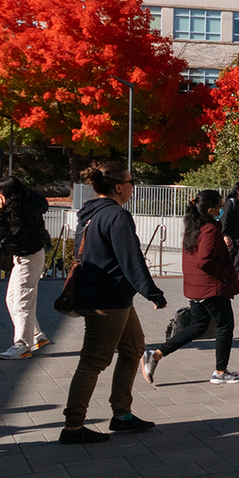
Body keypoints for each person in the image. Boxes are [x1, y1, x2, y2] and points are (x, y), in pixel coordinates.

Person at [60, 162, 167, 445]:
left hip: (110, 297)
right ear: (119, 187)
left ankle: (122, 414)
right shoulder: (116, 216)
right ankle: (73, 426)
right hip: (106, 300)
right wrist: (152, 292)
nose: (133, 188)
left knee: (133, 350)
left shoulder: (89, 214)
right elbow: (130, 259)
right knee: (94, 360)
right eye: (131, 183)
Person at [141, 190, 239, 386]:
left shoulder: (193, 227)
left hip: (196, 287)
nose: (222, 210)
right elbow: (204, 261)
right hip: (210, 287)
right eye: (220, 207)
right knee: (225, 326)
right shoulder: (211, 230)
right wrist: (225, 273)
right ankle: (220, 372)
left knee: (198, 327)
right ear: (211, 209)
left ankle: (155, 354)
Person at [0, 178, 52, 359]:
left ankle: (22, 344)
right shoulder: (23, 204)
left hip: (29, 257)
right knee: (12, 299)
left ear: (9, 194)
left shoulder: (23, 213)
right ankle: (36, 335)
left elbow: (8, 239)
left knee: (22, 301)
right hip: (24, 256)